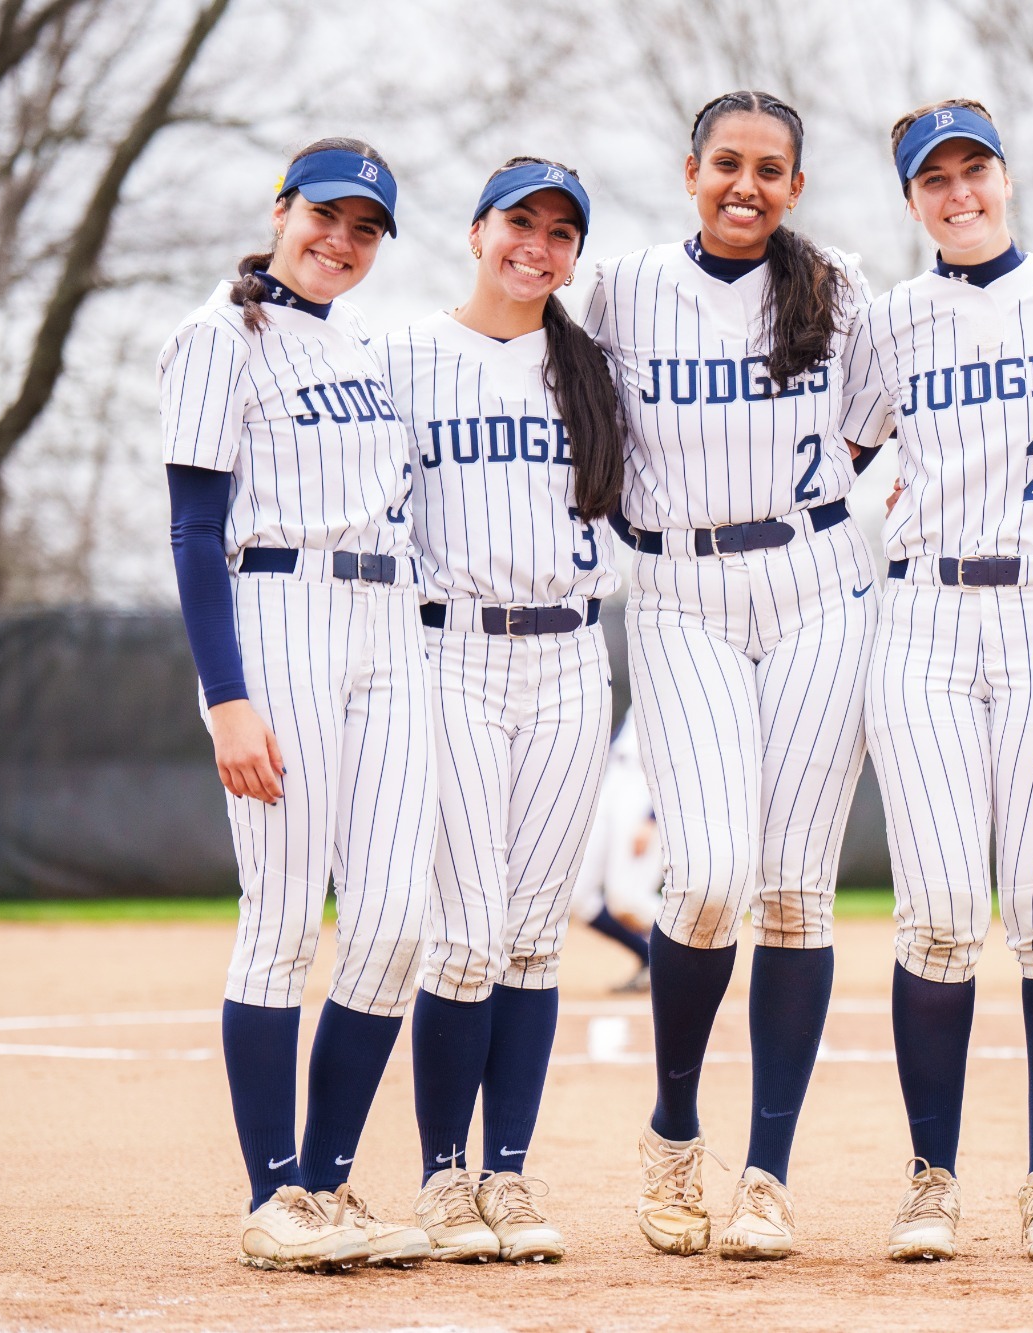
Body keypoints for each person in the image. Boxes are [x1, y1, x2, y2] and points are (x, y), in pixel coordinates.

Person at [585, 89, 878, 1262]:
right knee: (706, 877)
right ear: (690, 171)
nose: (744, 184)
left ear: (794, 186)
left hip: (815, 584)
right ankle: (672, 1128)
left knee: (796, 890)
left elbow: (866, 428)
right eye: (725, 163)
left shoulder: (837, 289)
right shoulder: (621, 288)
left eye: (768, 168)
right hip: (677, 592)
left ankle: (766, 1175)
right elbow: (549, 385)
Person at [839, 98, 1033, 1264]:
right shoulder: (887, 321)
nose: (957, 193)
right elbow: (824, 449)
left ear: (1005, 177)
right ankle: (931, 1178)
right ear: (911, 199)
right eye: (933, 179)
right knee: (941, 909)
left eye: (974, 169)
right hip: (923, 611)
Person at [160, 137, 433, 1272]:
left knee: (394, 922)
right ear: (281, 211)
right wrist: (226, 698)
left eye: (366, 227)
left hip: (389, 622)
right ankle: (273, 1193)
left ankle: (325, 1184)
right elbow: (192, 531)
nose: (342, 240)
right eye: (326, 215)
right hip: (281, 614)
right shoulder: (216, 337)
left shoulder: (362, 344)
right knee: (280, 918)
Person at [381, 156, 625, 1264]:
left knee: (532, 936)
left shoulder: (591, 367)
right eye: (519, 220)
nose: (538, 243)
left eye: (561, 231)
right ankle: (443, 1178)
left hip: (570, 653)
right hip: (451, 653)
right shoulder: (403, 356)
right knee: (466, 934)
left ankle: (509, 1176)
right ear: (476, 230)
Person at [571, 713, 666, 994]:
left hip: (644, 786)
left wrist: (653, 816)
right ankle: (650, 957)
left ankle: (700, 943)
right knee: (577, 896)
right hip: (611, 780)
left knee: (626, 899)